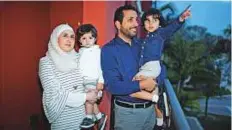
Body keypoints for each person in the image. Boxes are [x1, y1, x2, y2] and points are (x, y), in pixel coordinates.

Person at [130, 8, 191, 130]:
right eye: (147, 21)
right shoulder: (144, 39)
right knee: (153, 99)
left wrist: (181, 18)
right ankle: (159, 122)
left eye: (154, 20)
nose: (151, 23)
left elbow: (171, 28)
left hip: (152, 67)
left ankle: (157, 98)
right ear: (143, 23)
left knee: (130, 87)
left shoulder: (160, 34)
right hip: (148, 68)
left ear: (159, 23)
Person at [101, 5, 157, 130]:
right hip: (128, 116)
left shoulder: (143, 45)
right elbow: (113, 85)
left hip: (150, 111)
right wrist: (142, 84)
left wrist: (156, 81)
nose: (136, 23)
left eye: (136, 19)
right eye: (130, 19)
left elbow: (159, 66)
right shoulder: (108, 50)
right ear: (118, 24)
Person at [38, 24, 98, 130]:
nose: (69, 40)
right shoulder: (46, 62)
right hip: (64, 122)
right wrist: (86, 96)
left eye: (72, 36)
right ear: (56, 38)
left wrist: (95, 91)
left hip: (85, 121)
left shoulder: (78, 58)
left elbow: (89, 80)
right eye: (65, 35)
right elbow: (56, 94)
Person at [76, 24, 107, 130]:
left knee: (89, 98)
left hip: (94, 79)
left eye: (90, 37)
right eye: (84, 38)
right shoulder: (80, 52)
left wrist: (101, 81)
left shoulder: (97, 51)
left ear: (95, 38)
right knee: (89, 99)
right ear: (79, 41)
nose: (87, 40)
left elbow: (102, 67)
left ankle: (89, 117)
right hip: (83, 81)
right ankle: (99, 116)